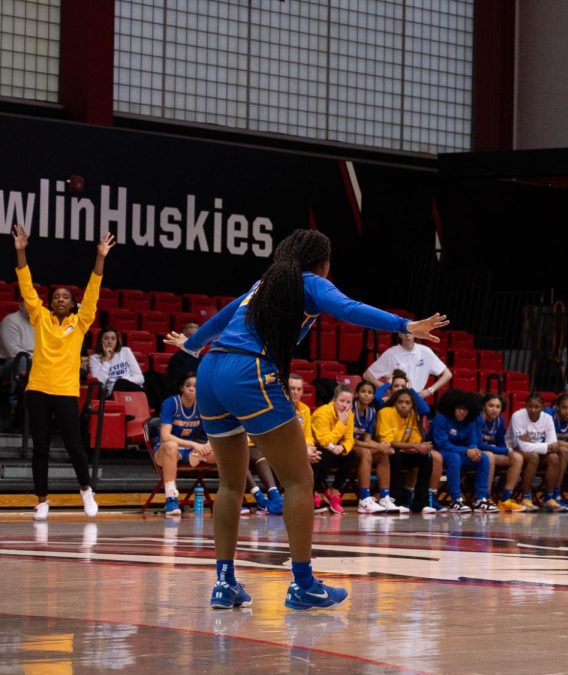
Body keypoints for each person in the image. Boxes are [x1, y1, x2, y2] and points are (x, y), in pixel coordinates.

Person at [165, 228, 447, 611]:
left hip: (212, 371)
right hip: (249, 371)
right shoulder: (310, 283)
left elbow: (223, 316)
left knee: (231, 483)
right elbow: (348, 309)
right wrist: (404, 326)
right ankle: (303, 584)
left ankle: (224, 583)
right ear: (324, 264)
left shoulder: (264, 282)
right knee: (299, 479)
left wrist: (193, 345)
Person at [10, 224, 111, 520]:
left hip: (66, 391)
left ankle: (86, 491)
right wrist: (20, 251)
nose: (60, 299)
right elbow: (26, 286)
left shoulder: (80, 322)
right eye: (56, 297)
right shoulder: (39, 317)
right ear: (50, 302)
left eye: (66, 297)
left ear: (73, 304)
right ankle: (42, 500)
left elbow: (93, 289)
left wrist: (100, 256)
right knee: (40, 447)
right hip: (38, 389)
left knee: (74, 447)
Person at [155, 373, 216, 514]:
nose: (192, 389)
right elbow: (165, 436)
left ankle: (235, 499)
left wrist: (208, 444)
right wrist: (194, 445)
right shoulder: (170, 403)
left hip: (191, 449)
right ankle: (170, 498)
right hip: (166, 450)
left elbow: (212, 432)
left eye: (196, 386)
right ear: (182, 387)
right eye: (188, 385)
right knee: (171, 446)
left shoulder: (202, 405)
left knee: (222, 452)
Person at [376, 386, 441, 514]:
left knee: (426, 456)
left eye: (407, 403)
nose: (404, 405)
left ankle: (421, 504)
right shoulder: (385, 412)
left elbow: (415, 441)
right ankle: (396, 501)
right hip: (386, 452)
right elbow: (388, 442)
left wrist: (420, 447)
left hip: (404, 452)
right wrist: (412, 446)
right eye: (400, 402)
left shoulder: (413, 416)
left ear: (412, 405)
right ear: (395, 403)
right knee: (395, 455)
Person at [431, 389, 495, 512]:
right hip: (441, 452)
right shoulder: (441, 419)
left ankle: (481, 499)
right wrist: (466, 451)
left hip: (461, 453)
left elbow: (472, 441)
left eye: (465, 410)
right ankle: (456, 500)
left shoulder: (469, 421)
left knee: (483, 458)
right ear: (452, 407)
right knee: (454, 457)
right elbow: (442, 444)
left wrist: (474, 449)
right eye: (459, 409)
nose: (462, 412)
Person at [506, 393, 563, 511]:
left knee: (554, 458)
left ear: (542, 408)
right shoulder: (517, 416)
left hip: (536, 450)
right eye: (530, 406)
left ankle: (548, 498)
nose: (533, 410)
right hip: (514, 449)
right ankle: (526, 498)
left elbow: (553, 444)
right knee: (534, 457)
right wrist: (546, 446)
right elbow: (523, 447)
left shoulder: (547, 418)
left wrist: (531, 442)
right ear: (526, 406)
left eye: (537, 407)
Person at [350, 380, 396, 514]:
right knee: (366, 453)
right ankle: (364, 499)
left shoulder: (371, 412)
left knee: (383, 454)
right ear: (357, 394)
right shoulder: (350, 409)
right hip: (344, 444)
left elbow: (367, 439)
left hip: (359, 443)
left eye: (370, 393)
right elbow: (350, 440)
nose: (366, 395)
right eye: (363, 392)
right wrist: (377, 446)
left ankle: (384, 497)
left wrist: (382, 447)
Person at [310, 383, 357, 514]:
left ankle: (334, 491)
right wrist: (341, 423)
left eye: (348, 402)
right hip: (316, 449)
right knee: (325, 454)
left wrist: (342, 447)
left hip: (333, 448)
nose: (345, 405)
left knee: (351, 456)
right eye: (342, 401)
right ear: (334, 400)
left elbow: (350, 439)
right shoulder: (322, 412)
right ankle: (315, 492)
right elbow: (324, 441)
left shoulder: (349, 414)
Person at [363, 331, 452, 400]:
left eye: (410, 330)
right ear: (399, 334)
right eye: (404, 331)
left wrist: (430, 391)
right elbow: (367, 375)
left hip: (417, 398)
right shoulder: (390, 353)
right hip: (396, 398)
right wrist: (387, 388)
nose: (407, 334)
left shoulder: (425, 352)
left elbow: (448, 374)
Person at [478, 393, 527, 511]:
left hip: (493, 451)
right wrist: (502, 450)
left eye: (497, 407)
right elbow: (478, 444)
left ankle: (505, 499)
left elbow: (500, 442)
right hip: (478, 452)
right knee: (490, 456)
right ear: (484, 406)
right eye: (491, 405)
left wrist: (506, 450)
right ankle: (486, 498)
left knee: (517, 457)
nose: (494, 409)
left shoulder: (500, 420)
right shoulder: (478, 418)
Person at [0, 301, 33, 426]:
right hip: (8, 363)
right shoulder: (11, 321)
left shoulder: (40, 322)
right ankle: (16, 404)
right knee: (22, 359)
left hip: (35, 361)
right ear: (21, 306)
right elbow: (13, 352)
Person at [88, 326, 146, 397]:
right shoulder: (94, 359)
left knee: (151, 375)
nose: (110, 341)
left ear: (116, 341)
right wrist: (106, 360)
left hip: (131, 388)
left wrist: (124, 381)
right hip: (112, 393)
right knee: (120, 383)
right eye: (106, 338)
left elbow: (140, 378)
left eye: (113, 339)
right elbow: (99, 382)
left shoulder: (125, 351)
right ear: (101, 341)